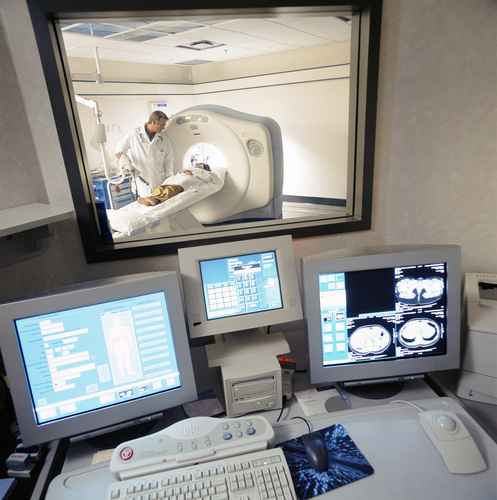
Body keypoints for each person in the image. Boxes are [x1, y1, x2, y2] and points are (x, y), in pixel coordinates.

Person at [115, 111, 175, 196]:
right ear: (153, 122)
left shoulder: (164, 139)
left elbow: (169, 161)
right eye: (162, 125)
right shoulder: (134, 135)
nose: (164, 127)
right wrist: (125, 161)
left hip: (160, 183)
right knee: (144, 201)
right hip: (142, 183)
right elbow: (118, 151)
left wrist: (169, 181)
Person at [137, 163, 213, 206]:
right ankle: (151, 198)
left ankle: (156, 200)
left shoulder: (204, 172)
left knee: (172, 188)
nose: (198, 165)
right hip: (178, 177)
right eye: (198, 165)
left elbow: (206, 178)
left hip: (187, 179)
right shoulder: (190, 168)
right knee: (162, 187)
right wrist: (184, 172)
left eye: (201, 165)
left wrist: (193, 175)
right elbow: (180, 173)